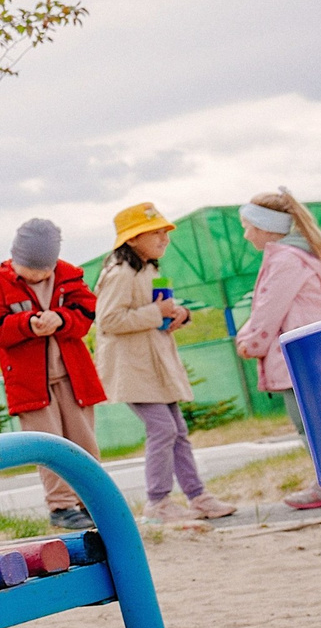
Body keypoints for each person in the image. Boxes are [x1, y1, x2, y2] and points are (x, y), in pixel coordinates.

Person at [96, 203, 236, 527]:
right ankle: (157, 501)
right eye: (155, 232)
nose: (164, 238)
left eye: (165, 231)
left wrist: (179, 314)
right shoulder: (119, 273)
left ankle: (197, 496)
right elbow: (108, 320)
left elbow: (156, 307)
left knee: (178, 431)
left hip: (154, 363)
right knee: (163, 429)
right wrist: (157, 313)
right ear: (131, 239)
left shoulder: (147, 268)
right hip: (133, 368)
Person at [0, 218, 108, 531]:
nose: (36, 276)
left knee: (83, 441)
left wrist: (61, 320)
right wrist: (27, 324)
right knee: (48, 446)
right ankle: (61, 506)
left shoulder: (69, 275)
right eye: (29, 270)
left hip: (73, 377)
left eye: (42, 270)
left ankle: (92, 501)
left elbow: (87, 314)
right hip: (30, 384)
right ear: (16, 259)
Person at [234, 187, 321, 510]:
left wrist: (250, 343)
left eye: (249, 226)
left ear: (267, 227)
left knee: (307, 424)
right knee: (315, 421)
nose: (245, 235)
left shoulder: (285, 261)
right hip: (307, 352)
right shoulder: (297, 258)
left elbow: (269, 312)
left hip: (294, 354)